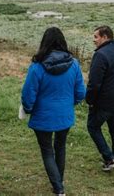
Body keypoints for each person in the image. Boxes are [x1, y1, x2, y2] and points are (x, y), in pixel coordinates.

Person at [21, 27, 86, 195]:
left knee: (47, 150)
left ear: (44, 43)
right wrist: (69, 104)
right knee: (60, 146)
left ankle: (58, 188)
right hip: (64, 114)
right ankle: (59, 182)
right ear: (63, 42)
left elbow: (28, 94)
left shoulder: (37, 67)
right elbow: (80, 92)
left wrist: (27, 109)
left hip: (43, 116)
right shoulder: (74, 64)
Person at [86, 26, 114, 171]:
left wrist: (90, 100)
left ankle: (109, 158)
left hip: (103, 103)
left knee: (92, 127)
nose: (94, 40)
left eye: (96, 37)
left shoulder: (100, 55)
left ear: (105, 37)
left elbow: (94, 83)